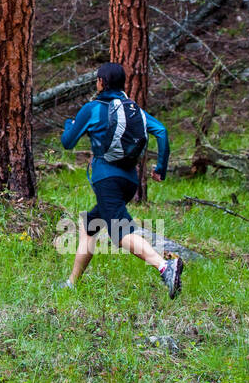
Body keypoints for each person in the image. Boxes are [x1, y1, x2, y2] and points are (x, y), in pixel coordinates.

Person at [59, 62, 183, 298]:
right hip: (130, 182)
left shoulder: (92, 108)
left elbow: (68, 142)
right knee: (90, 225)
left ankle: (165, 267)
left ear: (101, 82)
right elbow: (162, 131)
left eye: (97, 79)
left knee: (120, 232)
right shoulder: (134, 109)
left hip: (107, 179)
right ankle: (72, 283)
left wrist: (70, 124)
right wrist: (161, 169)